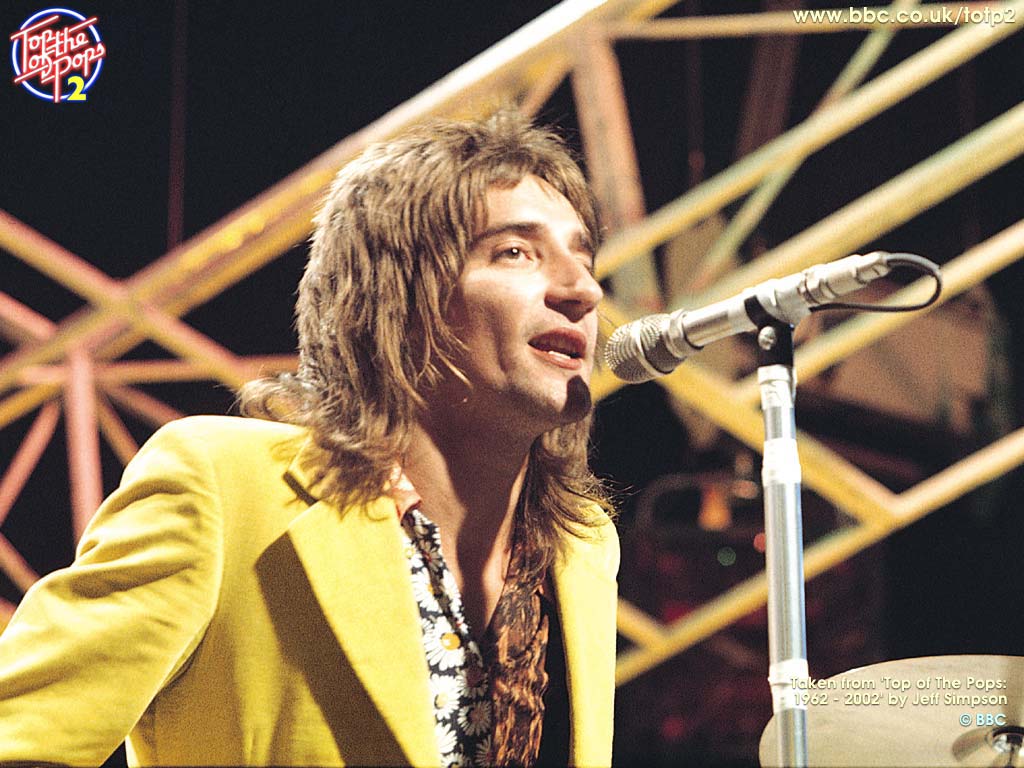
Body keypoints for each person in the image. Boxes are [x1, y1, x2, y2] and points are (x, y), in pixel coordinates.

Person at [0, 111, 619, 767]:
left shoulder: (582, 548)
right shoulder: (224, 488)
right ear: (398, 301)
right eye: (515, 252)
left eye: (582, 256)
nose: (582, 288)